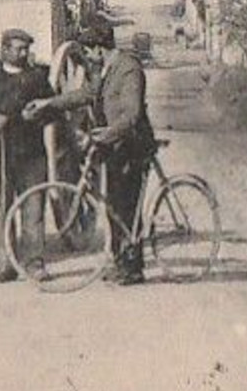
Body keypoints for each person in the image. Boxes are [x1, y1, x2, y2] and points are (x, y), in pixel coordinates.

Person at [25, 17, 156, 285]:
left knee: (126, 205)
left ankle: (133, 267)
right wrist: (48, 103)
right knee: (113, 205)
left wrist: (107, 133)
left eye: (88, 49)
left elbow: (131, 115)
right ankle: (121, 260)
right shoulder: (105, 69)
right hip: (113, 144)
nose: (85, 55)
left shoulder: (129, 69)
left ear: (100, 47)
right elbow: (84, 95)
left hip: (132, 144)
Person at [0, 29, 55, 283]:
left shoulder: (37, 79)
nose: (23, 53)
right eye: (18, 48)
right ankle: (4, 263)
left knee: (34, 209)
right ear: (4, 50)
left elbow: (54, 110)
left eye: (26, 48)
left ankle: (35, 264)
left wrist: (38, 114)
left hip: (32, 154)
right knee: (1, 209)